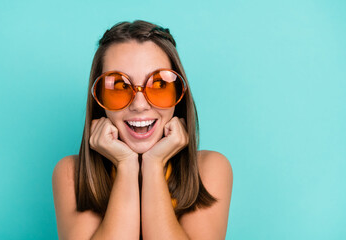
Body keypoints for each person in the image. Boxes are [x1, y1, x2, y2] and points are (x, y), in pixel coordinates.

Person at [52, 20, 233, 240]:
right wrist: (126, 165)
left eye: (158, 85)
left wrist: (154, 165)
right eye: (119, 86)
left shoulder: (209, 169)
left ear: (179, 95)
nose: (139, 105)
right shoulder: (72, 174)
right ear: (99, 100)